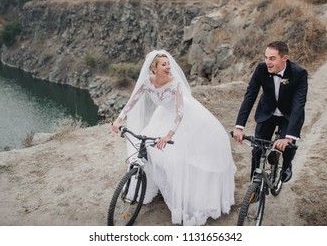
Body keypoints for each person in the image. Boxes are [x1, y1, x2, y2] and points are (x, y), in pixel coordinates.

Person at [112, 49, 236, 226]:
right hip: (162, 116)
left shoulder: (175, 83)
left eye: (169, 64)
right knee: (146, 147)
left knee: (179, 158)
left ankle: (184, 195)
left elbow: (179, 113)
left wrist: (168, 135)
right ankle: (151, 185)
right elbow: (132, 101)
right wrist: (118, 120)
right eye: (164, 64)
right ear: (154, 68)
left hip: (183, 118)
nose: (168, 67)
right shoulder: (147, 83)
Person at [232, 41, 308, 182]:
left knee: (288, 146)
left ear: (284, 58)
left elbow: (299, 105)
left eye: (272, 58)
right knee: (258, 149)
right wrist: (239, 127)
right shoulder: (261, 68)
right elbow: (250, 96)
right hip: (267, 112)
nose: (267, 62)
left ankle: (286, 165)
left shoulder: (299, 74)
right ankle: (254, 183)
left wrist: (288, 138)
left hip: (288, 115)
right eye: (266, 57)